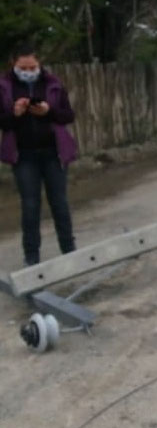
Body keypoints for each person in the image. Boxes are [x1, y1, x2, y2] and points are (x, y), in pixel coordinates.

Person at [0, 45, 78, 266]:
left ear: (39, 64)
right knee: (30, 205)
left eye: (32, 66)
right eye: (23, 67)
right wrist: (14, 115)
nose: (28, 70)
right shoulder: (4, 86)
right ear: (13, 64)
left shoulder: (52, 83)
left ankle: (69, 250)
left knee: (59, 203)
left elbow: (67, 115)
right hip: (23, 155)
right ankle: (32, 257)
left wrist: (48, 112)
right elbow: (2, 121)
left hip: (54, 153)